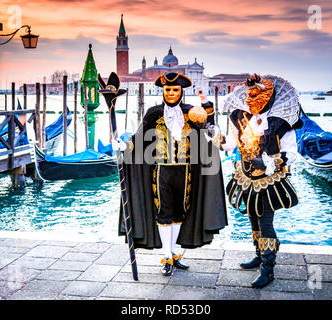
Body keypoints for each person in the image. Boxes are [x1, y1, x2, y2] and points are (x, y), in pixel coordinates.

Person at [112, 72, 227, 276]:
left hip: (185, 171)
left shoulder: (191, 112)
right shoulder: (153, 113)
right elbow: (140, 139)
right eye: (168, 90)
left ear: (181, 92)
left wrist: (209, 121)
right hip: (160, 171)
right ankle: (166, 256)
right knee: (164, 212)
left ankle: (173, 254)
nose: (172, 93)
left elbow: (206, 128)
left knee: (180, 211)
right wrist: (124, 146)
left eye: (175, 90)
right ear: (163, 91)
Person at [208, 74, 302, 288]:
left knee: (265, 222)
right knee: (253, 218)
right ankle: (259, 255)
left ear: (269, 97)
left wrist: (269, 161)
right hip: (246, 177)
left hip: (269, 179)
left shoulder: (282, 123)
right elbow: (230, 145)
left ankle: (268, 270)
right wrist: (213, 133)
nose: (252, 100)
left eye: (257, 96)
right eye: (250, 95)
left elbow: (293, 153)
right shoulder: (242, 118)